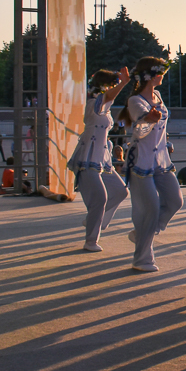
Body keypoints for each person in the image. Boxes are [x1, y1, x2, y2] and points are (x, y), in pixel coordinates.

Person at [120, 57, 183, 273]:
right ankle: (142, 259)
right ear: (152, 75)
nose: (163, 75)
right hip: (140, 160)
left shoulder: (158, 96)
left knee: (175, 200)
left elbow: (161, 130)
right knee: (150, 209)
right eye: (161, 72)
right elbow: (138, 131)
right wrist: (149, 121)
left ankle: (143, 233)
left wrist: (166, 141)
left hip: (161, 160)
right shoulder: (136, 101)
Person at [67, 67, 131, 252]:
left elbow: (108, 99)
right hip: (88, 157)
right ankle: (91, 240)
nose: (113, 89)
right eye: (111, 85)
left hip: (102, 159)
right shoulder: (93, 104)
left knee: (120, 191)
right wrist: (123, 83)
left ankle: (94, 219)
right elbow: (107, 97)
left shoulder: (104, 108)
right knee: (100, 198)